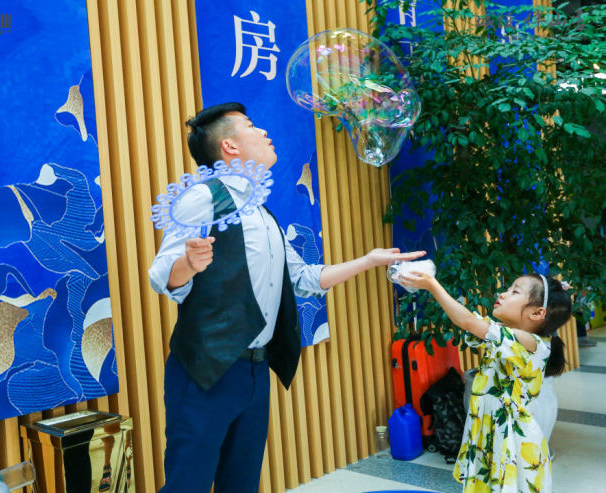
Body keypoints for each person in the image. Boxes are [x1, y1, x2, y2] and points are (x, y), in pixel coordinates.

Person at [148, 102, 425, 493]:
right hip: (205, 370)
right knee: (187, 485)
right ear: (229, 146)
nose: (263, 132)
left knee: (241, 485)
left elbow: (305, 278)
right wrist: (188, 264)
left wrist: (369, 260)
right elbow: (161, 274)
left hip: (254, 372)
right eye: (251, 126)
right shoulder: (203, 197)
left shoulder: (263, 214)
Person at [400, 271, 572, 493]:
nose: (503, 293)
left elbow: (468, 321)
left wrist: (432, 285)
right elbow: (472, 323)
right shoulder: (505, 335)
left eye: (515, 291)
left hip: (512, 443)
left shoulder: (530, 343)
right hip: (489, 432)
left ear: (538, 312)